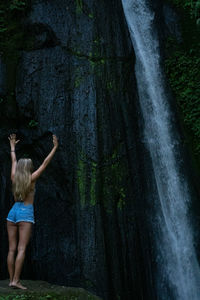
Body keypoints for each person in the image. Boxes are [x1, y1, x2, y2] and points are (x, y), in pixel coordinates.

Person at [6, 133, 58, 290]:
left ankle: (10, 280)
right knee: (21, 249)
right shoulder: (32, 178)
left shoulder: (14, 177)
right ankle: (16, 280)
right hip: (25, 213)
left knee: (11, 249)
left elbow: (13, 160)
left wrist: (12, 146)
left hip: (12, 213)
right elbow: (45, 163)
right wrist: (54, 147)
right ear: (28, 168)